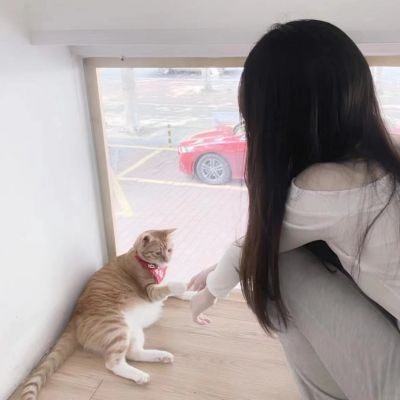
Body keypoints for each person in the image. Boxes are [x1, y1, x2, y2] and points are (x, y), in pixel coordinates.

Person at [188, 20, 400, 400]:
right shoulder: (388, 152)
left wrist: (210, 293)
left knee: (276, 264)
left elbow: (255, 248)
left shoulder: (330, 182)